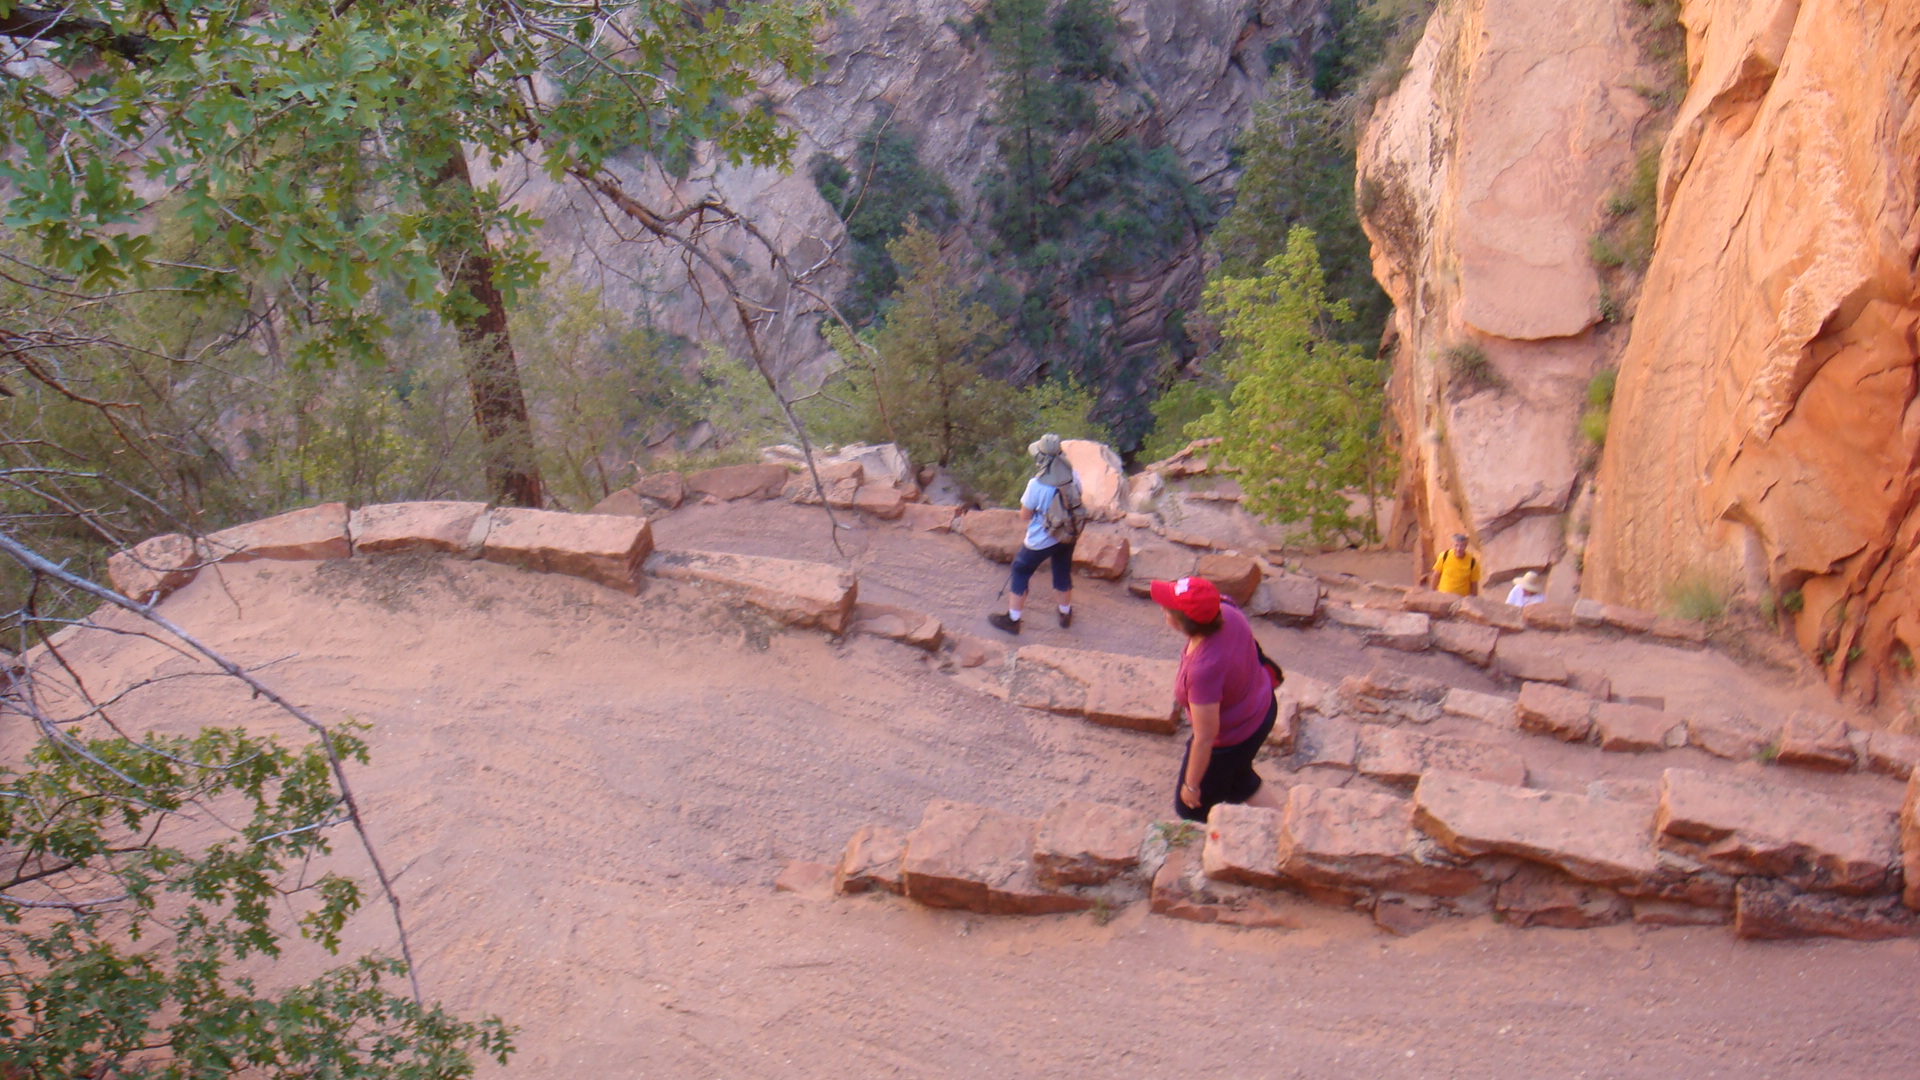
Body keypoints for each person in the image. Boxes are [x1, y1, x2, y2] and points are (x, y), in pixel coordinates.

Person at [1150, 576, 1284, 823]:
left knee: (1191, 809)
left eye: (1167, 608)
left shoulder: (1204, 669)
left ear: (1182, 622)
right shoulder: (1226, 611)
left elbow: (1205, 737)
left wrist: (1191, 786)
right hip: (1261, 708)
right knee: (1237, 778)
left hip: (1234, 737)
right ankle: (1285, 825)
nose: (1161, 609)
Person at [988, 434, 1085, 634]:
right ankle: (1064, 613)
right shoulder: (1073, 475)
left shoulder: (1037, 484)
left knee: (1021, 569)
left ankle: (1013, 620)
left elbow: (1025, 515)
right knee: (1061, 570)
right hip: (1067, 533)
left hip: (1040, 540)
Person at [1424, 533, 1481, 597]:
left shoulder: (1472, 562)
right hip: (1444, 598)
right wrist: (1432, 593)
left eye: (1462, 546)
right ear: (1452, 545)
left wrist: (1473, 600)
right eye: (1456, 545)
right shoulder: (1444, 556)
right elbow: (1436, 575)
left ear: (1466, 546)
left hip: (1461, 600)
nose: (1459, 549)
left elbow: (1474, 584)